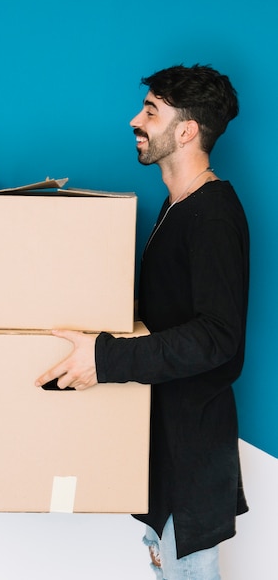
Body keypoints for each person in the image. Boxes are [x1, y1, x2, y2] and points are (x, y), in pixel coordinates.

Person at [36, 64, 249, 579]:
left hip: (192, 451)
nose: (136, 119)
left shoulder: (213, 215)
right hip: (165, 443)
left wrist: (105, 357)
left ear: (186, 130)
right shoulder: (177, 206)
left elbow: (218, 338)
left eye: (151, 111)